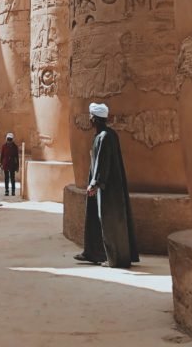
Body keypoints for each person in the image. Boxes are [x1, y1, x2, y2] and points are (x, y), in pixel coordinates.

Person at [75, 102, 139, 268]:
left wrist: (95, 183)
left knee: (109, 221)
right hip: (103, 186)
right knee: (95, 219)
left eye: (91, 117)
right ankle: (93, 252)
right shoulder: (105, 135)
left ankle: (115, 258)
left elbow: (104, 162)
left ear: (94, 119)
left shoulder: (104, 137)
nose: (89, 119)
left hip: (107, 188)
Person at [0, 133, 20, 197]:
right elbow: (2, 156)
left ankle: (13, 191)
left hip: (12, 164)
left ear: (12, 139)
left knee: (12, 178)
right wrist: (1, 164)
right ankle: (6, 190)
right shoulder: (4, 146)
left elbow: (16, 157)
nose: (9, 141)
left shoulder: (15, 147)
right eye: (8, 139)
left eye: (10, 139)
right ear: (6, 139)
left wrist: (17, 166)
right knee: (6, 178)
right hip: (6, 163)